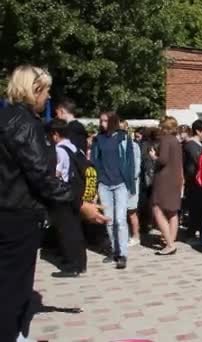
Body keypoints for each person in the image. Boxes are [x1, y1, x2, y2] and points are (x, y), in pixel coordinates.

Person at [0, 65, 106, 341]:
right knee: (14, 288)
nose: (48, 97)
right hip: (18, 216)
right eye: (45, 91)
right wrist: (79, 204)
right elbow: (41, 176)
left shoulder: (8, 118)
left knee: (12, 285)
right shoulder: (23, 124)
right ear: (34, 89)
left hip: (11, 211)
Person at [91, 111, 137, 269]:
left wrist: (131, 183)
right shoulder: (98, 139)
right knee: (109, 220)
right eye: (101, 121)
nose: (102, 124)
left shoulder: (123, 138)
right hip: (104, 184)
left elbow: (130, 161)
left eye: (105, 121)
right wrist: (96, 183)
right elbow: (94, 160)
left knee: (120, 220)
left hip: (121, 183)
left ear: (112, 121)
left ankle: (123, 254)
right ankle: (114, 250)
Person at [46, 118, 88, 278]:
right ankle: (80, 262)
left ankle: (72, 265)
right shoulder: (74, 147)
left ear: (55, 134)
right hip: (77, 191)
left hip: (64, 193)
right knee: (75, 228)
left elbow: (58, 173)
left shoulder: (59, 150)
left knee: (66, 230)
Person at [149, 116, 183, 255]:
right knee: (172, 211)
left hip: (164, 178)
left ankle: (169, 244)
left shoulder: (165, 140)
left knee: (157, 208)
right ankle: (171, 241)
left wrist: (153, 157)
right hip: (175, 178)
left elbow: (162, 160)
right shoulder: (176, 141)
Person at [183, 119, 202, 240]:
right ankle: (192, 233)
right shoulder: (190, 145)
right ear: (198, 131)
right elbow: (198, 161)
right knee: (195, 209)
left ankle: (198, 230)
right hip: (193, 182)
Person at [119, 120, 142, 247]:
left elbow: (136, 167)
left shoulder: (132, 145)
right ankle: (129, 235)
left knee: (130, 211)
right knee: (127, 211)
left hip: (129, 183)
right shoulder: (132, 145)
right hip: (125, 182)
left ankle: (135, 235)